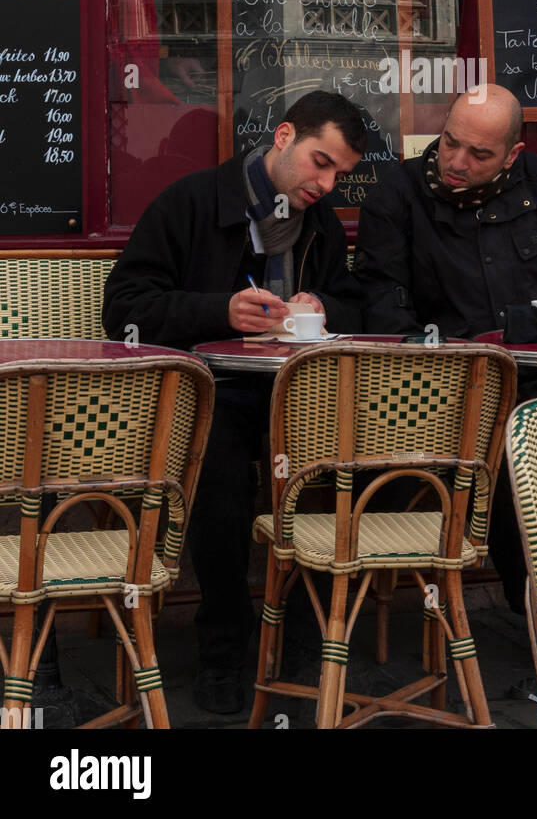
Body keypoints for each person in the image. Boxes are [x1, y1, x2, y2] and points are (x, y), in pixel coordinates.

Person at [102, 90, 367, 714]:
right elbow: (124, 310)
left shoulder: (318, 224)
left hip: (292, 394)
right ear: (282, 137)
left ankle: (304, 635)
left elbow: (361, 303)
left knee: (340, 465)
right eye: (320, 162)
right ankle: (224, 645)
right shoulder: (191, 202)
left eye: (339, 174)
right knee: (218, 478)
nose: (326, 184)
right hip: (207, 392)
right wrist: (217, 309)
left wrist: (325, 307)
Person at [354, 84, 537, 612]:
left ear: (513, 155)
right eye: (449, 143)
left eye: (479, 154)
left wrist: (518, 323)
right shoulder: (396, 195)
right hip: (443, 393)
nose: (457, 162)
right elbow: (384, 317)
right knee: (518, 453)